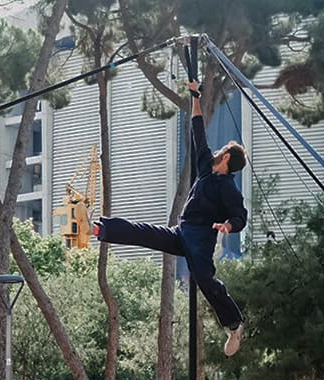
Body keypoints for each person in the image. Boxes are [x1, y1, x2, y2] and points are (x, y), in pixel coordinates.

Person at [95, 80, 248, 356]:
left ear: (227, 157)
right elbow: (198, 130)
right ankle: (101, 229)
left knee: (204, 279)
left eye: (224, 150)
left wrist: (229, 225)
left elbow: (240, 215)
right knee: (145, 234)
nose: (219, 150)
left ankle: (234, 324)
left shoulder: (227, 187)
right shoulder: (205, 168)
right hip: (183, 231)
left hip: (201, 240)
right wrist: (195, 95)